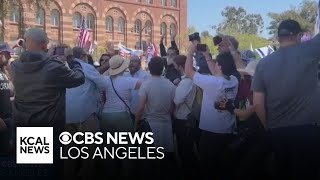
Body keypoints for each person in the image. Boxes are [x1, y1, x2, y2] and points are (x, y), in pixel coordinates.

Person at [11, 28, 85, 179]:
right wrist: (72, 60)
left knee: (30, 173)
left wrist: (48, 57)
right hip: (49, 128)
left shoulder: (15, 67)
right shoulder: (53, 67)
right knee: (50, 173)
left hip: (24, 128)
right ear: (45, 45)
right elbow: (78, 78)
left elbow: (35, 65)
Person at [252, 19, 320, 179]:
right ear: (298, 36)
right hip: (309, 131)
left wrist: (269, 128)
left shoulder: (262, 64)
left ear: (278, 38)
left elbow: (257, 103)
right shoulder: (309, 50)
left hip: (278, 132)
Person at [185, 44, 239, 180]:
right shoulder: (234, 81)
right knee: (225, 169)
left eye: (216, 63)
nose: (214, 65)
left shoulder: (213, 82)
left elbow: (189, 72)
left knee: (208, 170)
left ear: (219, 66)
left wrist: (190, 53)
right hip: (228, 132)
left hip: (211, 135)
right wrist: (207, 55)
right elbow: (217, 73)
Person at [64, 47, 107, 180]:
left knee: (69, 153)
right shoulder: (86, 67)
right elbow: (104, 84)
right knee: (88, 153)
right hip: (85, 115)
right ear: (83, 56)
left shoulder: (63, 66)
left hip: (67, 116)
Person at [100, 55, 143, 178]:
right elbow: (146, 83)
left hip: (106, 115)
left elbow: (99, 78)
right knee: (126, 150)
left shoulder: (105, 80)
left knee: (109, 150)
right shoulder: (127, 80)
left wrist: (108, 71)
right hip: (122, 116)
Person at [135, 56, 176, 179]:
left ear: (150, 68)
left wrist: (136, 123)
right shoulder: (170, 84)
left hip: (150, 125)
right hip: (166, 124)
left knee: (149, 160)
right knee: (164, 160)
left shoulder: (146, 85)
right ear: (162, 68)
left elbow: (141, 107)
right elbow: (173, 106)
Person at [172, 55, 198, 179]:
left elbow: (177, 100)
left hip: (183, 119)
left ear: (180, 66)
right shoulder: (192, 79)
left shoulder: (185, 82)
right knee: (188, 149)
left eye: (175, 65)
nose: (174, 67)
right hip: (189, 118)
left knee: (184, 151)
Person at [0, 42, 14, 155]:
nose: (10, 57)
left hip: (8, 120)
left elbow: (9, 92)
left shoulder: (3, 71)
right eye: (7, 54)